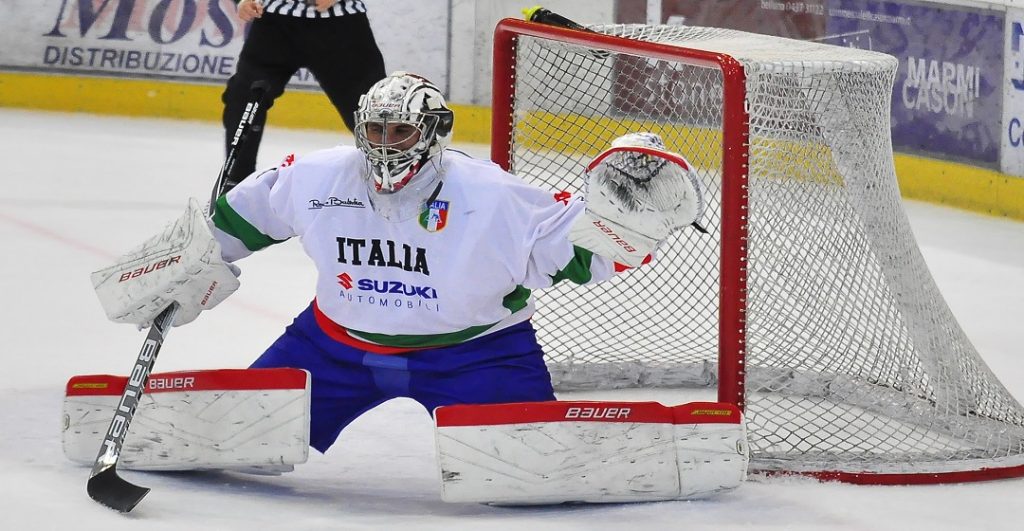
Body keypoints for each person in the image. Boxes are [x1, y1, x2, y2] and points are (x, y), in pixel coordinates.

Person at [95, 72, 705, 455]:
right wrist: (186, 266)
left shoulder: (490, 193)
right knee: (228, 444)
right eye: (376, 130)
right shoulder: (316, 176)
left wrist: (627, 221)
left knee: (533, 462)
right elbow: (233, 225)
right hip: (332, 349)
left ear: (434, 132)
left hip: (475, 353)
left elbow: (578, 254)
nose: (385, 145)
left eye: (401, 133)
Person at [222, 0, 386, 190]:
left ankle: (395, 180)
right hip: (274, 26)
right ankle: (236, 188)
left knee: (375, 110)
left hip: (342, 28)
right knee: (244, 98)